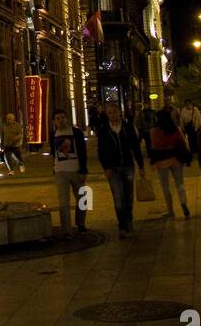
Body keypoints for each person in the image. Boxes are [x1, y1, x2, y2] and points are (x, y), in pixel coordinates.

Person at [96, 101, 144, 238]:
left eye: (115, 112)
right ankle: (122, 225)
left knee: (128, 196)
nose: (113, 115)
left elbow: (135, 147)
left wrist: (141, 166)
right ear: (107, 115)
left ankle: (129, 220)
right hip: (113, 168)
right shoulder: (104, 130)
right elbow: (101, 151)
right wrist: (106, 167)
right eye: (109, 113)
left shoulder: (127, 127)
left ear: (120, 112)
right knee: (118, 197)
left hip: (128, 166)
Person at [50, 109, 88, 237]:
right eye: (57, 118)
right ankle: (66, 229)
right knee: (64, 202)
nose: (60, 120)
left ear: (67, 118)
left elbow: (83, 151)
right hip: (60, 171)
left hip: (76, 170)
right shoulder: (53, 134)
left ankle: (81, 223)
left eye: (62, 117)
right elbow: (53, 153)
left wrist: (83, 170)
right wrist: (54, 168)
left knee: (83, 199)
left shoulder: (76, 132)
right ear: (54, 121)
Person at [149, 110, 190, 218]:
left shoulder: (154, 131)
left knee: (165, 186)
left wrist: (152, 162)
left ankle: (170, 210)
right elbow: (182, 142)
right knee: (179, 183)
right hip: (176, 159)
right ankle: (183, 204)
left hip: (161, 162)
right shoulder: (175, 129)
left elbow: (153, 148)